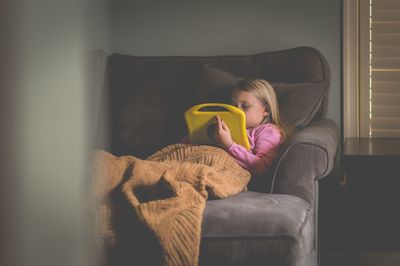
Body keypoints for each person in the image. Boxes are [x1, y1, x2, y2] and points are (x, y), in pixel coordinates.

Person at [208, 79, 289, 177]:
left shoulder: (268, 131)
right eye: (233, 106)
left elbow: (263, 167)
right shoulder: (226, 125)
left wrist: (229, 145)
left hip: (231, 174)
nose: (237, 111)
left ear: (266, 110)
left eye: (245, 106)